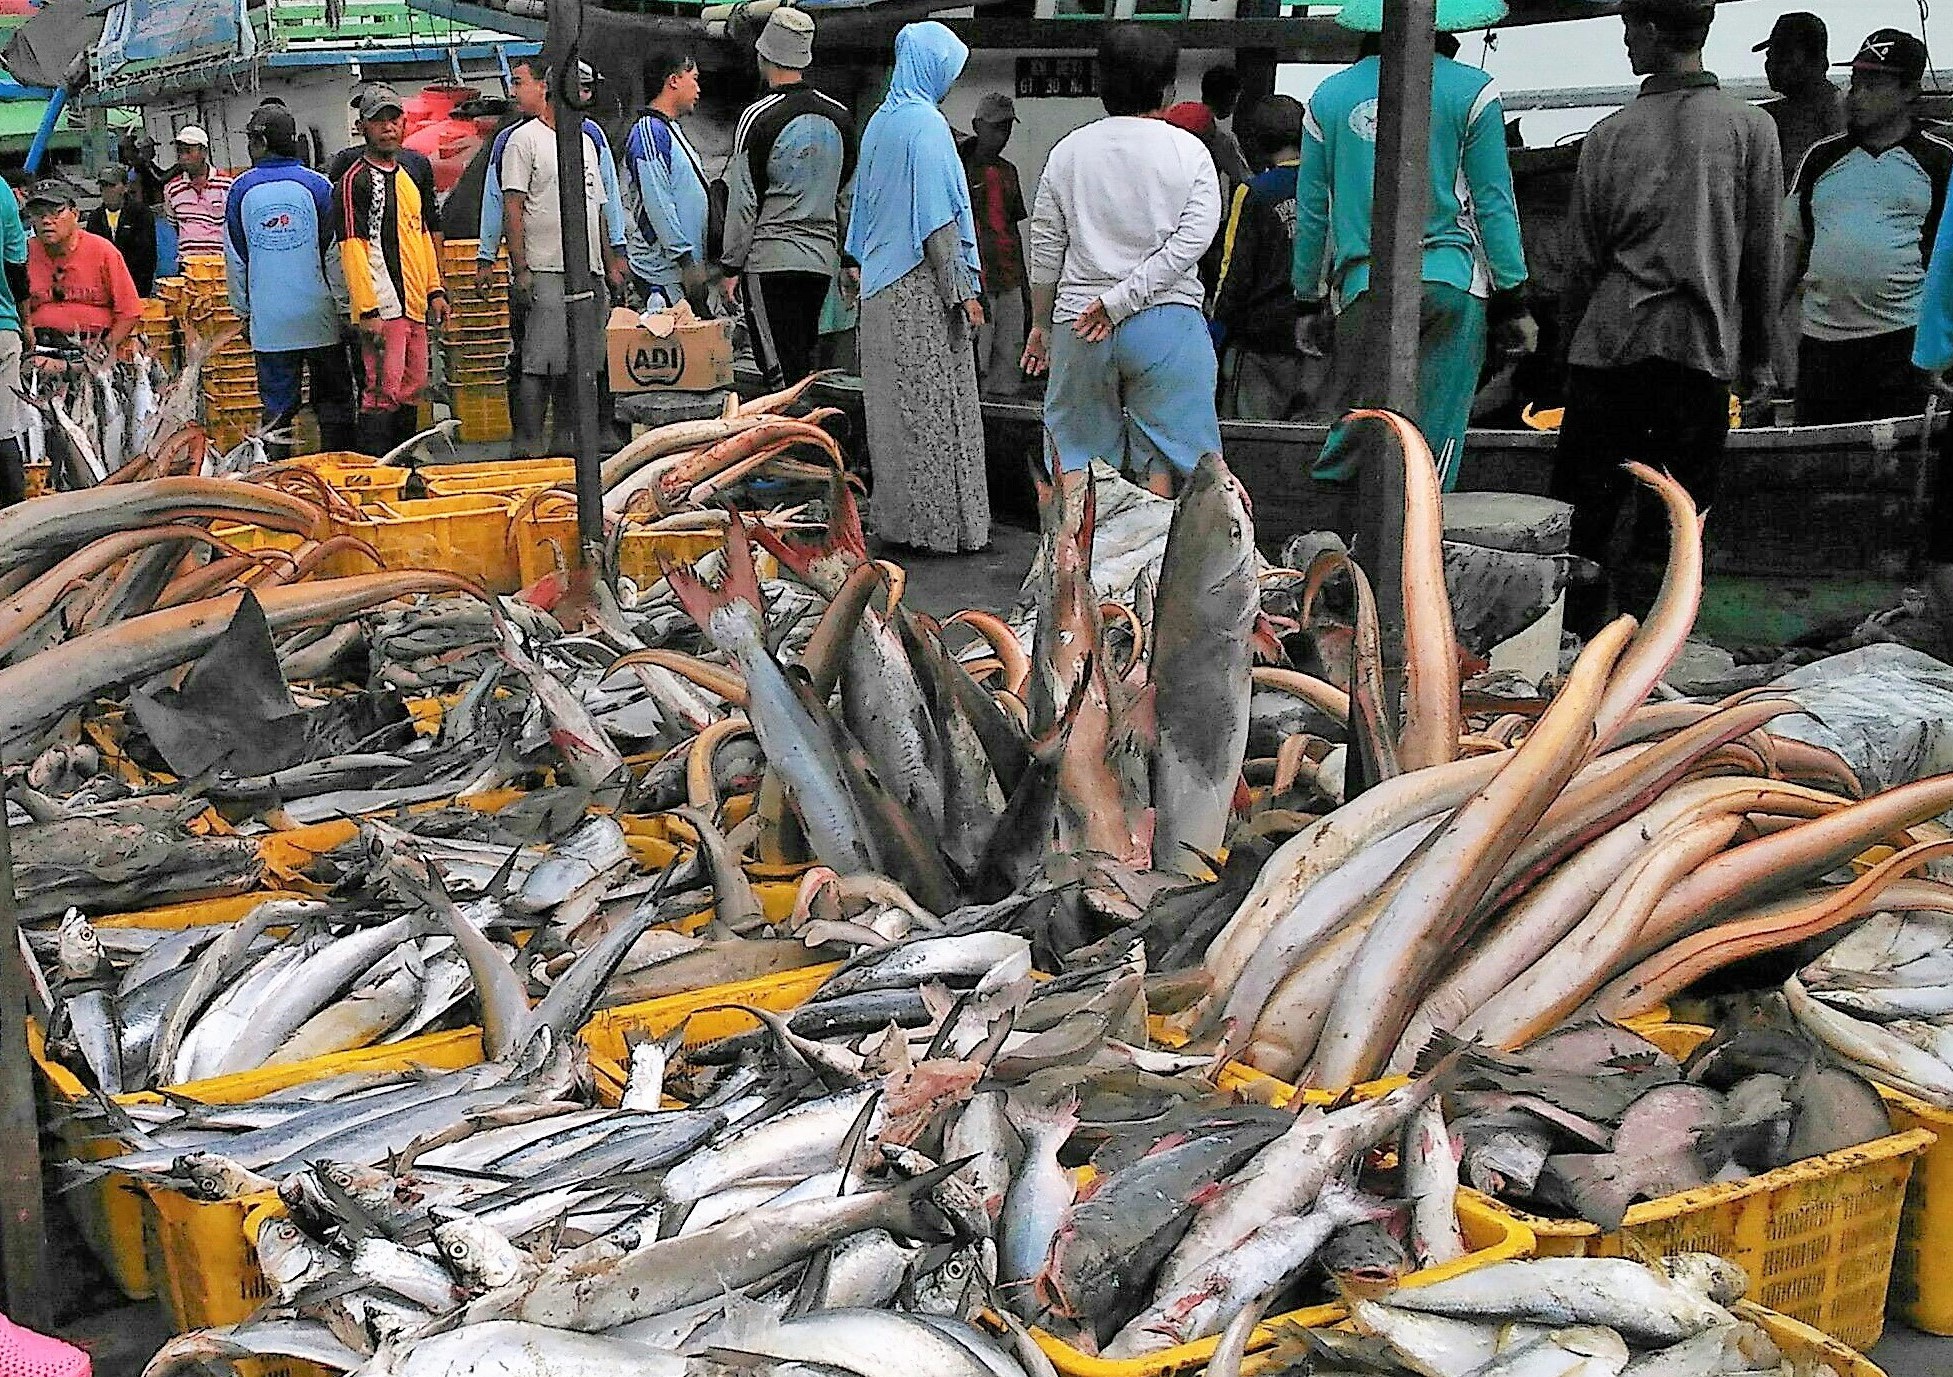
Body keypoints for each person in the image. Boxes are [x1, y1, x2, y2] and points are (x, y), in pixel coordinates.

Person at [1550, 0, 1781, 636]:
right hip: (1697, 356)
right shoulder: (1750, 130)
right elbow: (1763, 255)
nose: (1626, 44)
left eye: (1629, 30)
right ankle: (1652, 655)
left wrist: (1564, 360)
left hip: (1608, 353)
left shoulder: (1609, 134)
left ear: (1651, 32)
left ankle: (1574, 651)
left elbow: (1582, 263)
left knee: (1583, 525)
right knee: (1677, 529)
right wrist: (1761, 358)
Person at [1293, 0, 1531, 490]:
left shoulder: (1327, 98)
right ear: (1448, 33)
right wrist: (1515, 298)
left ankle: (1334, 529)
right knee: (1430, 444)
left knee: (1360, 428)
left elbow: (1314, 213)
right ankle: (1417, 544)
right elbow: (1493, 203)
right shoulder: (1474, 91)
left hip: (1363, 290)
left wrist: (1306, 300)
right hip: (1452, 286)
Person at [1024, 24, 1221, 496]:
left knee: (1074, 452)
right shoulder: (1190, 152)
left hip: (1080, 324)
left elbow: (1046, 246)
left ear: (1101, 84)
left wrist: (1040, 325)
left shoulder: (1067, 151)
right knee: (1169, 459)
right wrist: (1123, 301)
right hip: (1166, 321)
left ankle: (1073, 560)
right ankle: (1154, 561)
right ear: (1169, 89)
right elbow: (1191, 243)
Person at [847, 21, 989, 553]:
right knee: (935, 413)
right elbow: (936, 221)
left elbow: (861, 209)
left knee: (894, 416)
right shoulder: (926, 127)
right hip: (920, 289)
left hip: (880, 290)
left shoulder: (880, 124)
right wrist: (964, 293)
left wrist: (853, 262)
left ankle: (901, 525)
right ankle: (942, 531)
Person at [1785, 30, 1948, 426]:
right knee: (1820, 459)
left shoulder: (1939, 161)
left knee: (1902, 463)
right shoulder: (1822, 158)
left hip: (1904, 343)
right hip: (1823, 346)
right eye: (1855, 82)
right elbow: (1788, 248)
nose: (1857, 95)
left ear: (1910, 90)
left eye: (1873, 84)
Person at [476, 62, 629, 445]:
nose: (583, 97)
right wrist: (521, 268)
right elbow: (512, 206)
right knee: (538, 362)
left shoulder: (587, 142)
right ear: (552, 91)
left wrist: (609, 264)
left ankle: (566, 441)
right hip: (546, 267)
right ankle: (527, 445)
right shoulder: (523, 140)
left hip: (587, 271)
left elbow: (600, 207)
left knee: (580, 364)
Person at [721, 6, 856, 387]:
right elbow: (847, 197)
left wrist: (731, 267)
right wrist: (849, 257)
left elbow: (744, 201)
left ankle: (789, 441)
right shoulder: (841, 117)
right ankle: (808, 438)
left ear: (764, 56)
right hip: (820, 263)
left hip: (770, 261)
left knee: (777, 373)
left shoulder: (757, 117)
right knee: (801, 361)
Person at [227, 103, 356, 457]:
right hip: (321, 318)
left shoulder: (240, 191)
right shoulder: (318, 186)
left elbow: (236, 259)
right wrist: (346, 308)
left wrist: (243, 312)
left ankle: (277, 478)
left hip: (269, 323)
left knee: (277, 410)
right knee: (333, 404)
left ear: (261, 142)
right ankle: (338, 468)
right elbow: (334, 256)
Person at [336, 85, 449, 453]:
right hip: (383, 306)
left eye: (393, 120)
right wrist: (367, 310)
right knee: (382, 389)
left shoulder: (408, 175)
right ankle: (377, 467)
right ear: (363, 126)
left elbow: (419, 236)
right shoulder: (355, 180)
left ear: (403, 123)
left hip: (415, 303)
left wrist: (435, 290)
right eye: (378, 121)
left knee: (414, 386)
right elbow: (353, 247)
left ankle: (405, 462)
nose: (387, 128)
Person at [1214, 95, 1309, 421]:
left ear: (1257, 141)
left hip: (1260, 340)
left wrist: (1217, 326)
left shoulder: (1254, 192)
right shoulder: (1326, 186)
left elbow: (1234, 268)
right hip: (1314, 335)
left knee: (1254, 435)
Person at [624, 46, 712, 309]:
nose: (698, 89)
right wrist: (685, 260)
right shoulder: (649, 131)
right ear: (673, 81)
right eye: (693, 79)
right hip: (663, 274)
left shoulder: (670, 129)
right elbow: (658, 202)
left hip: (682, 270)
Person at [961, 91, 1029, 398]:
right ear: (978, 125)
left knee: (1009, 358)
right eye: (996, 127)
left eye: (1007, 128)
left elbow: (1013, 232)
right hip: (978, 282)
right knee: (977, 362)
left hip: (1009, 278)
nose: (1002, 135)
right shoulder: (959, 167)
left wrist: (1027, 289)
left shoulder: (1008, 171)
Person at [1758, 11, 1844, 180]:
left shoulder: (1844, 116)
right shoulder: (1769, 115)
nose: (1770, 64)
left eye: (1783, 56)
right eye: (1769, 55)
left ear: (1818, 60)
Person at [85, 163, 157, 297]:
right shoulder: (95, 218)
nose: (106, 190)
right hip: (104, 290)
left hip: (136, 287)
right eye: (103, 186)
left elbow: (147, 256)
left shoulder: (141, 214)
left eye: (111, 185)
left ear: (125, 187)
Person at [162, 126, 232, 258]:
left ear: (204, 152)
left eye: (189, 151)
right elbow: (175, 225)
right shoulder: (172, 189)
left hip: (220, 264)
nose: (183, 157)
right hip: (188, 265)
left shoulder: (226, 185)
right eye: (180, 152)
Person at [0, 178, 28, 504]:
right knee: (4, 430)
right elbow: (16, 265)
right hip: (3, 327)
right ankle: (16, 527)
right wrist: (27, 321)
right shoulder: (3, 192)